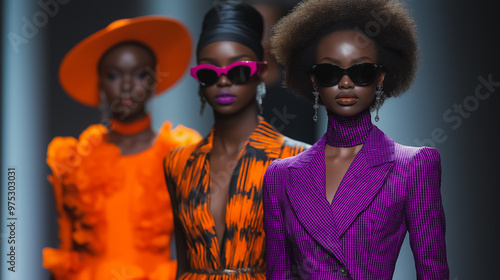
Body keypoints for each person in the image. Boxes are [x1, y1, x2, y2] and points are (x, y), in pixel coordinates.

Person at [263, 0, 449, 279]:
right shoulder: (281, 176)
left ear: (381, 77)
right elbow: (278, 274)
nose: (346, 83)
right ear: (314, 79)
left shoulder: (414, 166)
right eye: (330, 73)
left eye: (362, 72)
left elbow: (432, 270)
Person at [43, 16, 201, 280]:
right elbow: (65, 253)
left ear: (155, 80)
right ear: (100, 83)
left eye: (140, 74)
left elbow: (197, 246)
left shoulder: (178, 155)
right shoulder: (74, 160)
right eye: (114, 74)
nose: (127, 86)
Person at [163, 3, 309, 279]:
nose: (223, 81)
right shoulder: (178, 163)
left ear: (262, 71)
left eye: (238, 70)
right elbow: (181, 266)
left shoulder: (296, 158)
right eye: (209, 73)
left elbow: (307, 264)